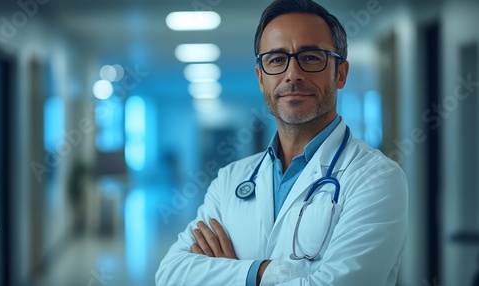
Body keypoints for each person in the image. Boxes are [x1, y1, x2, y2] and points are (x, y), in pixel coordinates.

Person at [156, 0, 408, 285]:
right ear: (260, 78)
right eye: (276, 59)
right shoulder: (230, 181)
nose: (292, 74)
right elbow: (171, 273)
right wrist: (267, 272)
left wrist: (228, 274)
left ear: (340, 73)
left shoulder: (375, 178)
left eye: (311, 57)